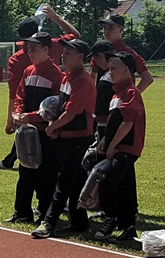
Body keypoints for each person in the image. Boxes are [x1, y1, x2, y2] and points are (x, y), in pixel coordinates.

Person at [0, 6, 80, 169]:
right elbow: (75, 36)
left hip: (34, 115)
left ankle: (10, 161)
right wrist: (56, 17)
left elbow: (14, 94)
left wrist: (11, 120)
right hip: (44, 116)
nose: (32, 53)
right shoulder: (51, 46)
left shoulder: (16, 59)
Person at [31, 39, 96, 238]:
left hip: (78, 137)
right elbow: (61, 105)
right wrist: (55, 125)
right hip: (66, 135)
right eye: (64, 51)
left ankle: (48, 222)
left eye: (69, 53)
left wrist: (53, 126)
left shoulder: (82, 80)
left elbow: (72, 112)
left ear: (81, 57)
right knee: (75, 181)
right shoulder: (67, 77)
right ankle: (79, 222)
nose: (63, 55)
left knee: (64, 181)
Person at [8, 32, 63, 224]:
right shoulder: (28, 71)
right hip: (27, 131)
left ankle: (45, 213)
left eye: (34, 49)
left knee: (46, 174)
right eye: (28, 48)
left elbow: (54, 107)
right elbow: (20, 95)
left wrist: (29, 116)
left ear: (46, 50)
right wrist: (18, 113)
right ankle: (22, 212)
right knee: (25, 172)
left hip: (45, 132)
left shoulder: (55, 73)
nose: (29, 52)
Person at [94, 51, 146, 241]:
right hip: (118, 145)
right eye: (109, 69)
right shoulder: (116, 92)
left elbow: (127, 123)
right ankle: (128, 226)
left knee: (107, 181)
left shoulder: (131, 92)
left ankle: (111, 218)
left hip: (126, 147)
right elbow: (113, 122)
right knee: (125, 186)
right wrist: (104, 140)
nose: (110, 72)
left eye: (114, 68)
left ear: (127, 70)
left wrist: (112, 146)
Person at [96, 13, 153, 93]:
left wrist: (131, 96)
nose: (106, 31)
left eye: (111, 28)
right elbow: (93, 76)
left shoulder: (127, 53)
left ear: (121, 29)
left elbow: (147, 78)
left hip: (119, 99)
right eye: (104, 27)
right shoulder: (99, 50)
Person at [88, 40, 117, 138]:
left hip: (109, 122)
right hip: (102, 121)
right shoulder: (107, 73)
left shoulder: (114, 75)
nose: (95, 61)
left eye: (95, 58)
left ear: (100, 55)